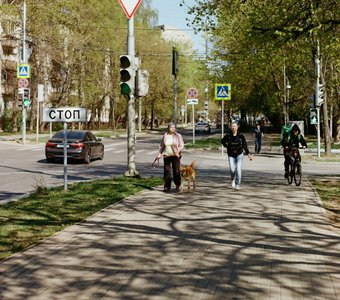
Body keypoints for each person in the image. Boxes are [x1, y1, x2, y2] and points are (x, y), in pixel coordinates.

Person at [221, 122, 253, 190]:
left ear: (237, 127)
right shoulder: (228, 135)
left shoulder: (241, 135)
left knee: (238, 169)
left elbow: (244, 145)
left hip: (239, 154)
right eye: (232, 126)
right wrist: (226, 146)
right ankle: (233, 179)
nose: (233, 128)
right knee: (232, 169)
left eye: (235, 126)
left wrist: (248, 154)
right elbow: (222, 141)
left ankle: (237, 184)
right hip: (231, 154)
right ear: (230, 127)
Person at [157, 123, 184, 192]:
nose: (173, 128)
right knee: (166, 171)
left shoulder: (178, 135)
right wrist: (159, 153)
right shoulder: (165, 135)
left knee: (176, 171)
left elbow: (182, 145)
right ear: (168, 128)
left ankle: (178, 184)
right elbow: (162, 146)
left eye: (174, 127)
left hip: (175, 155)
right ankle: (166, 187)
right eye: (171, 127)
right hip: (166, 155)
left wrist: (177, 151)